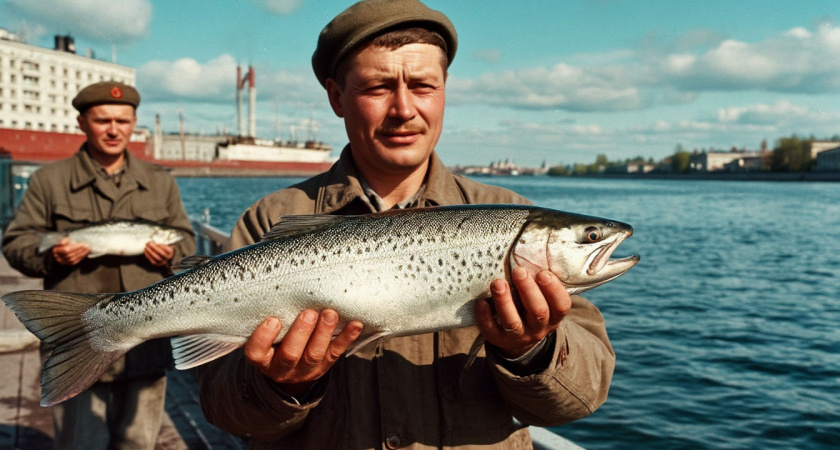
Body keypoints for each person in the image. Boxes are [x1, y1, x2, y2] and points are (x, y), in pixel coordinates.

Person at [197, 0, 614, 448]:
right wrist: (282, 386)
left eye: (422, 85)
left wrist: (531, 349)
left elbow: (581, 399)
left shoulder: (508, 209)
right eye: (378, 87)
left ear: (445, 89)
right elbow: (224, 409)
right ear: (337, 97)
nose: (403, 109)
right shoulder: (268, 219)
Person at [2, 81, 196, 449]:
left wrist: (170, 255)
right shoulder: (49, 181)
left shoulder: (160, 182)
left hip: (146, 339)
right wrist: (50, 256)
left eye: (122, 121)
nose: (113, 129)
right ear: (81, 123)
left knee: (139, 442)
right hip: (78, 335)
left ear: (134, 122)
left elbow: (185, 240)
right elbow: (16, 242)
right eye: (102, 120)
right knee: (80, 441)